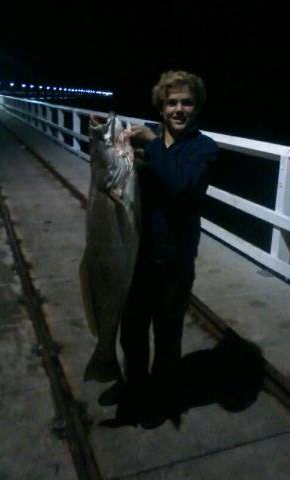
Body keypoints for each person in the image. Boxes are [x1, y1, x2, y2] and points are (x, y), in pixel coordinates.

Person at [99, 70, 219, 428]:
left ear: (196, 107)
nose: (178, 109)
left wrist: (152, 142)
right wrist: (110, 142)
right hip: (136, 255)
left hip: (175, 261)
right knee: (132, 331)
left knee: (167, 336)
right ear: (161, 106)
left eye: (186, 102)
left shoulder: (204, 149)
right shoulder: (146, 144)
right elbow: (114, 179)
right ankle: (136, 388)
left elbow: (181, 185)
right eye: (171, 102)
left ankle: (162, 400)